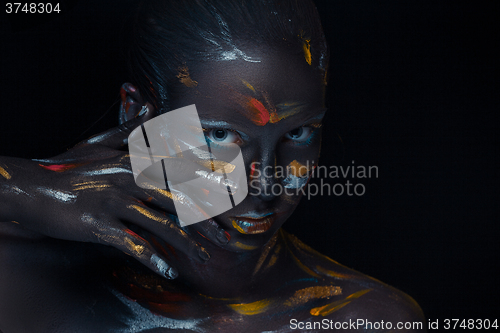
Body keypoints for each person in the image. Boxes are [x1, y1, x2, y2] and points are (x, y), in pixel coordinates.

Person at [0, 0, 425, 331]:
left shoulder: (368, 319)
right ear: (135, 115)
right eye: (219, 136)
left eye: (298, 134)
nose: (265, 186)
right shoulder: (22, 279)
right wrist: (16, 186)